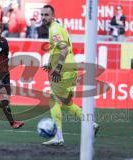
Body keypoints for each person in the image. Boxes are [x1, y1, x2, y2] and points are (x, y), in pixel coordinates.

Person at [41, 5, 100, 146]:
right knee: (67, 103)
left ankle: (58, 136)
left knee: (52, 98)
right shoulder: (57, 25)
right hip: (70, 68)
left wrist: (57, 68)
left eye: (46, 15)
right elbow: (56, 49)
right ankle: (91, 124)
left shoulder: (54, 29)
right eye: (42, 15)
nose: (44, 17)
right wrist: (51, 64)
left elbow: (63, 49)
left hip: (63, 70)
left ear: (53, 16)